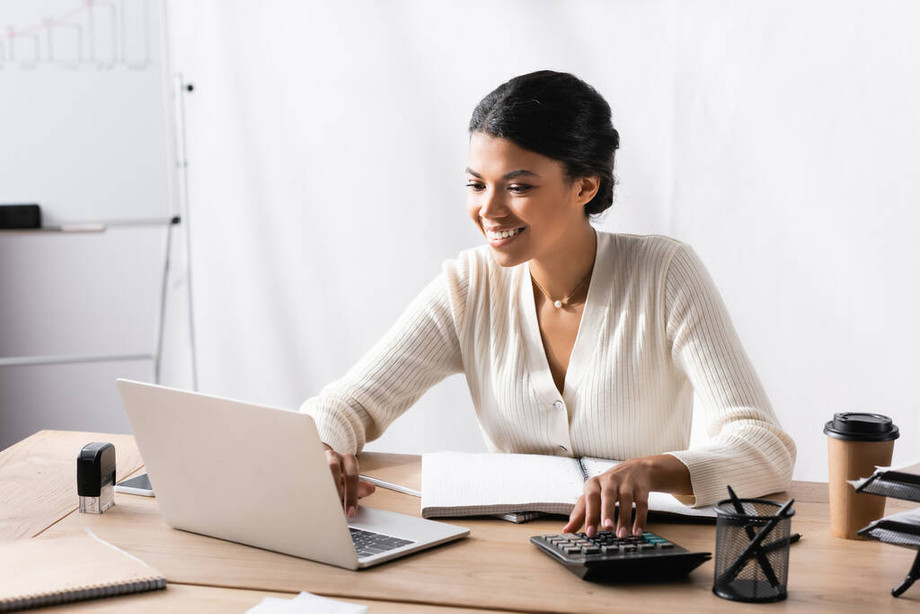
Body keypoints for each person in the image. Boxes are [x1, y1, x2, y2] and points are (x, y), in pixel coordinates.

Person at [301, 70, 796, 539]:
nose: (489, 210)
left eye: (518, 187)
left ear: (584, 185)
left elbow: (764, 445)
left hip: (637, 555)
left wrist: (651, 470)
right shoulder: (469, 285)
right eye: (476, 184)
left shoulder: (663, 272)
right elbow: (345, 405)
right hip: (501, 556)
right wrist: (322, 450)